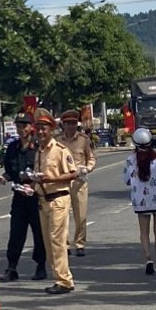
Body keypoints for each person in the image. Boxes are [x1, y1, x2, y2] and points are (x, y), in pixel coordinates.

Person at [0, 111, 47, 282]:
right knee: (16, 233)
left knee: (39, 233)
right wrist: (5, 178)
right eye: (18, 126)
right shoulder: (12, 147)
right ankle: (12, 267)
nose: (21, 129)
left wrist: (32, 185)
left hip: (35, 197)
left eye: (24, 125)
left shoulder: (39, 148)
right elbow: (10, 171)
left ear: (31, 127)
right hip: (19, 197)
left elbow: (44, 172)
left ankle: (41, 266)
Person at [31, 108, 78, 294]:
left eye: (45, 129)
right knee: (48, 243)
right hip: (43, 200)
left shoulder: (60, 150)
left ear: (51, 130)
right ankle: (59, 277)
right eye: (39, 128)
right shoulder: (39, 151)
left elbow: (72, 173)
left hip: (58, 199)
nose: (41, 132)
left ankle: (64, 281)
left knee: (57, 240)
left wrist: (50, 180)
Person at [122, 128, 156, 275]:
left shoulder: (131, 160)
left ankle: (148, 258)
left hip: (140, 201)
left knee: (144, 232)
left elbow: (126, 180)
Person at [56, 109, 97, 257]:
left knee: (81, 216)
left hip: (79, 181)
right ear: (63, 125)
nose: (71, 126)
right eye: (68, 124)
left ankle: (80, 244)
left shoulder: (83, 139)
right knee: (62, 215)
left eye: (74, 123)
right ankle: (65, 245)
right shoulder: (57, 141)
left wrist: (88, 168)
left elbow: (91, 158)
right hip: (62, 181)